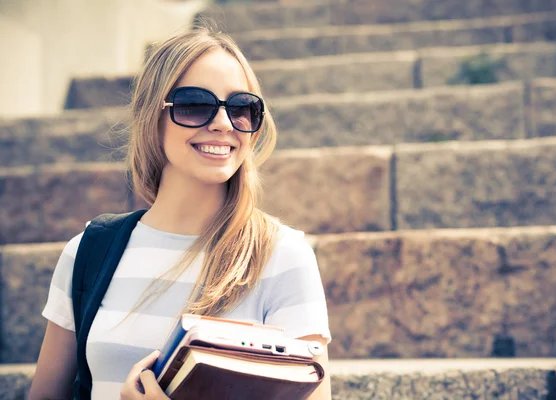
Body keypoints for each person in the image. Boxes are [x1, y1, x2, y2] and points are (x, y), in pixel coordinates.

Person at [29, 27, 332, 400]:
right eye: (194, 104)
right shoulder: (88, 252)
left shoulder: (282, 256)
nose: (223, 123)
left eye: (241, 108)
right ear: (151, 118)